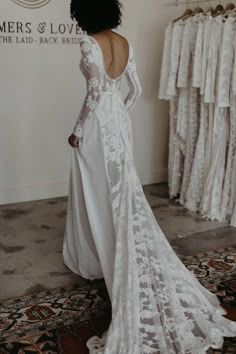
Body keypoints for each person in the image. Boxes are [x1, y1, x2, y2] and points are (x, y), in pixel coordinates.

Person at [63, 0, 236, 353]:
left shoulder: (88, 42)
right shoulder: (124, 42)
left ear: (83, 14)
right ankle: (112, 250)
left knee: (99, 193)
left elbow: (94, 94)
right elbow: (135, 91)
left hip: (97, 127)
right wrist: (118, 117)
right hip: (119, 127)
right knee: (121, 193)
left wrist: (79, 129)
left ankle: (101, 256)